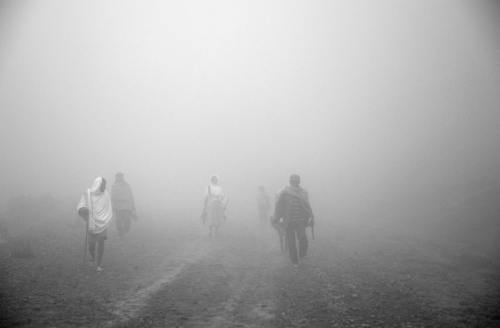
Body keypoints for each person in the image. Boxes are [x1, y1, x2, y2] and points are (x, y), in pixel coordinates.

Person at [273, 174, 314, 267]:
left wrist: (312, 217)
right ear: (290, 182)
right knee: (291, 242)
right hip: (289, 221)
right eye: (293, 181)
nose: (295, 183)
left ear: (299, 182)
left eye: (297, 181)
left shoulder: (303, 193)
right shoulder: (285, 193)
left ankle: (302, 256)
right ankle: (294, 262)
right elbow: (280, 207)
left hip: (301, 221)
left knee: (303, 240)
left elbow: (307, 207)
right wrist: (276, 218)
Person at [77, 177, 113, 271]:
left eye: (105, 185)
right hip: (92, 223)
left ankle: (98, 265)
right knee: (91, 245)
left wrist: (107, 218)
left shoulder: (106, 195)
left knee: (101, 240)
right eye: (103, 185)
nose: (105, 187)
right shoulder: (88, 194)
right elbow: (81, 205)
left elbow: (108, 207)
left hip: (103, 222)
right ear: (98, 185)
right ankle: (92, 256)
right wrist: (83, 209)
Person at [111, 172, 137, 239]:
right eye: (118, 176)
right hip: (118, 206)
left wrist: (133, 207)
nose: (120, 178)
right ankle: (120, 234)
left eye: (121, 176)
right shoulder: (114, 186)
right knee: (118, 221)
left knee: (127, 220)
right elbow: (112, 197)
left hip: (127, 206)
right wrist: (112, 206)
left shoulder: (127, 185)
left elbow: (131, 196)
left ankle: (125, 232)